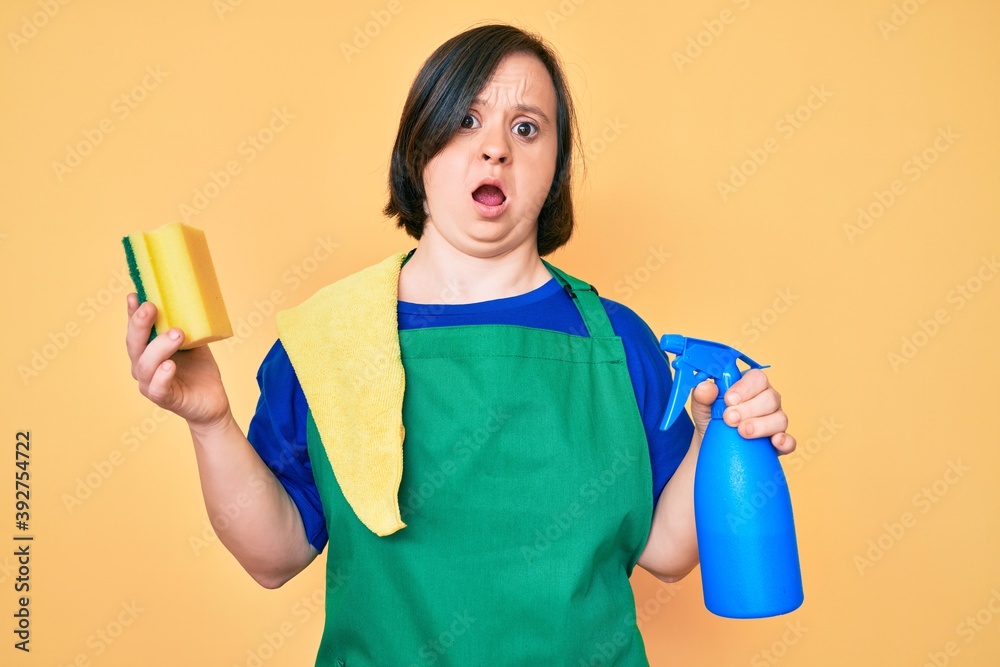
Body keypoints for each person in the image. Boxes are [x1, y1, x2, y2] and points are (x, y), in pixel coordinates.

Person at [125, 23, 796, 666]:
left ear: (554, 167)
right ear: (419, 151)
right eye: (466, 120)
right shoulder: (329, 340)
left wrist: (717, 432)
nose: (496, 147)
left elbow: (669, 549)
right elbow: (274, 555)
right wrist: (210, 421)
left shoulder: (619, 341)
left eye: (527, 128)